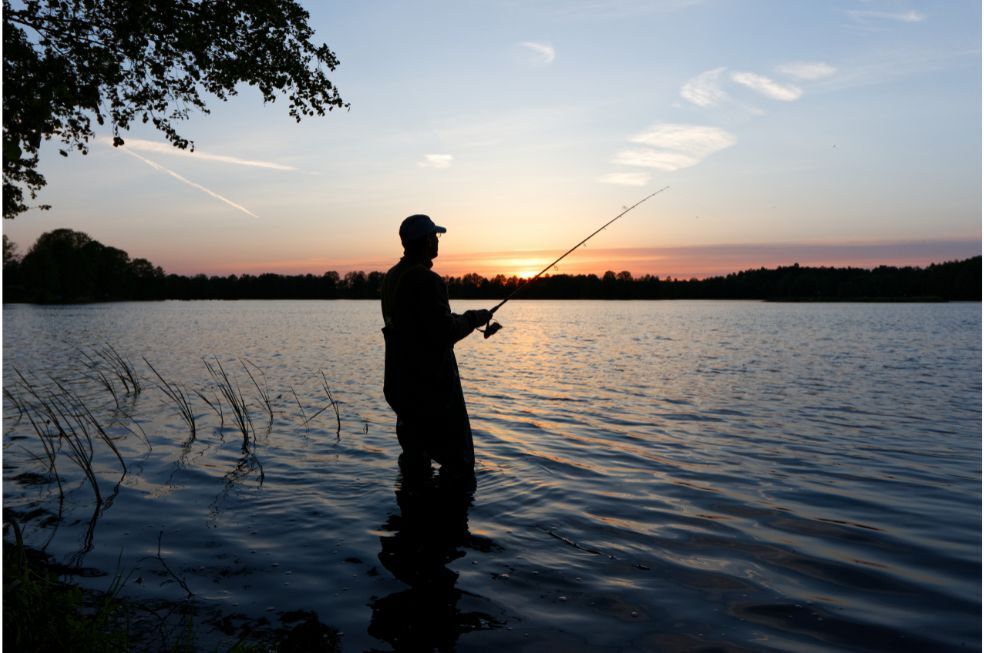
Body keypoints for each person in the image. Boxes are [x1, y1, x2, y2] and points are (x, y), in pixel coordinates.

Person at [381, 214, 491, 477]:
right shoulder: (428, 280)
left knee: (415, 461)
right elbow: (444, 332)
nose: (438, 241)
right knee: (458, 463)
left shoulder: (392, 277)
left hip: (401, 386)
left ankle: (412, 501)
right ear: (427, 241)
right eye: (435, 236)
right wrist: (473, 319)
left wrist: (466, 318)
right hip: (431, 390)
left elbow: (422, 322)